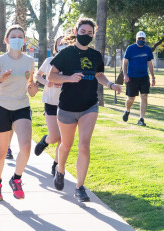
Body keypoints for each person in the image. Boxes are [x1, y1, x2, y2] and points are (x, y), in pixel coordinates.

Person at [48, 18, 121, 202]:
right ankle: (61, 169)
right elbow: (52, 76)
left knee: (84, 145)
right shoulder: (66, 53)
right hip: (66, 107)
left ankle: (80, 187)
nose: (86, 35)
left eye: (90, 33)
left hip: (89, 105)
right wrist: (69, 78)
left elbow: (98, 75)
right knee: (66, 145)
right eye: (83, 32)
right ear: (76, 31)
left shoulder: (96, 55)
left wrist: (110, 84)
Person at [0, 24, 39, 201]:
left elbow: (30, 86)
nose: (17, 39)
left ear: (24, 40)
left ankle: (16, 179)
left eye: (20, 36)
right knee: (1, 152)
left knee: (26, 147)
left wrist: (34, 88)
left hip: (21, 106)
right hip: (2, 107)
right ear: (7, 40)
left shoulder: (29, 60)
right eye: (13, 36)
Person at [34, 36, 68, 176]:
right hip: (50, 103)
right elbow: (38, 75)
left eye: (66, 44)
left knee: (63, 140)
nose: (63, 46)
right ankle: (45, 141)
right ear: (56, 46)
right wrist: (45, 82)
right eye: (61, 44)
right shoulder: (49, 61)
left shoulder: (71, 63)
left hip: (66, 104)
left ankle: (56, 165)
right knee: (54, 137)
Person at [122, 31, 155, 126]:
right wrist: (125, 75)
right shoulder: (130, 48)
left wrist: (153, 77)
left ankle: (141, 119)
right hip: (132, 77)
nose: (141, 40)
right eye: (139, 39)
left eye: (143, 39)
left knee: (144, 97)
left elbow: (150, 63)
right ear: (136, 39)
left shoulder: (148, 49)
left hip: (144, 77)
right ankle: (127, 110)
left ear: (145, 39)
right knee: (131, 99)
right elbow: (125, 62)